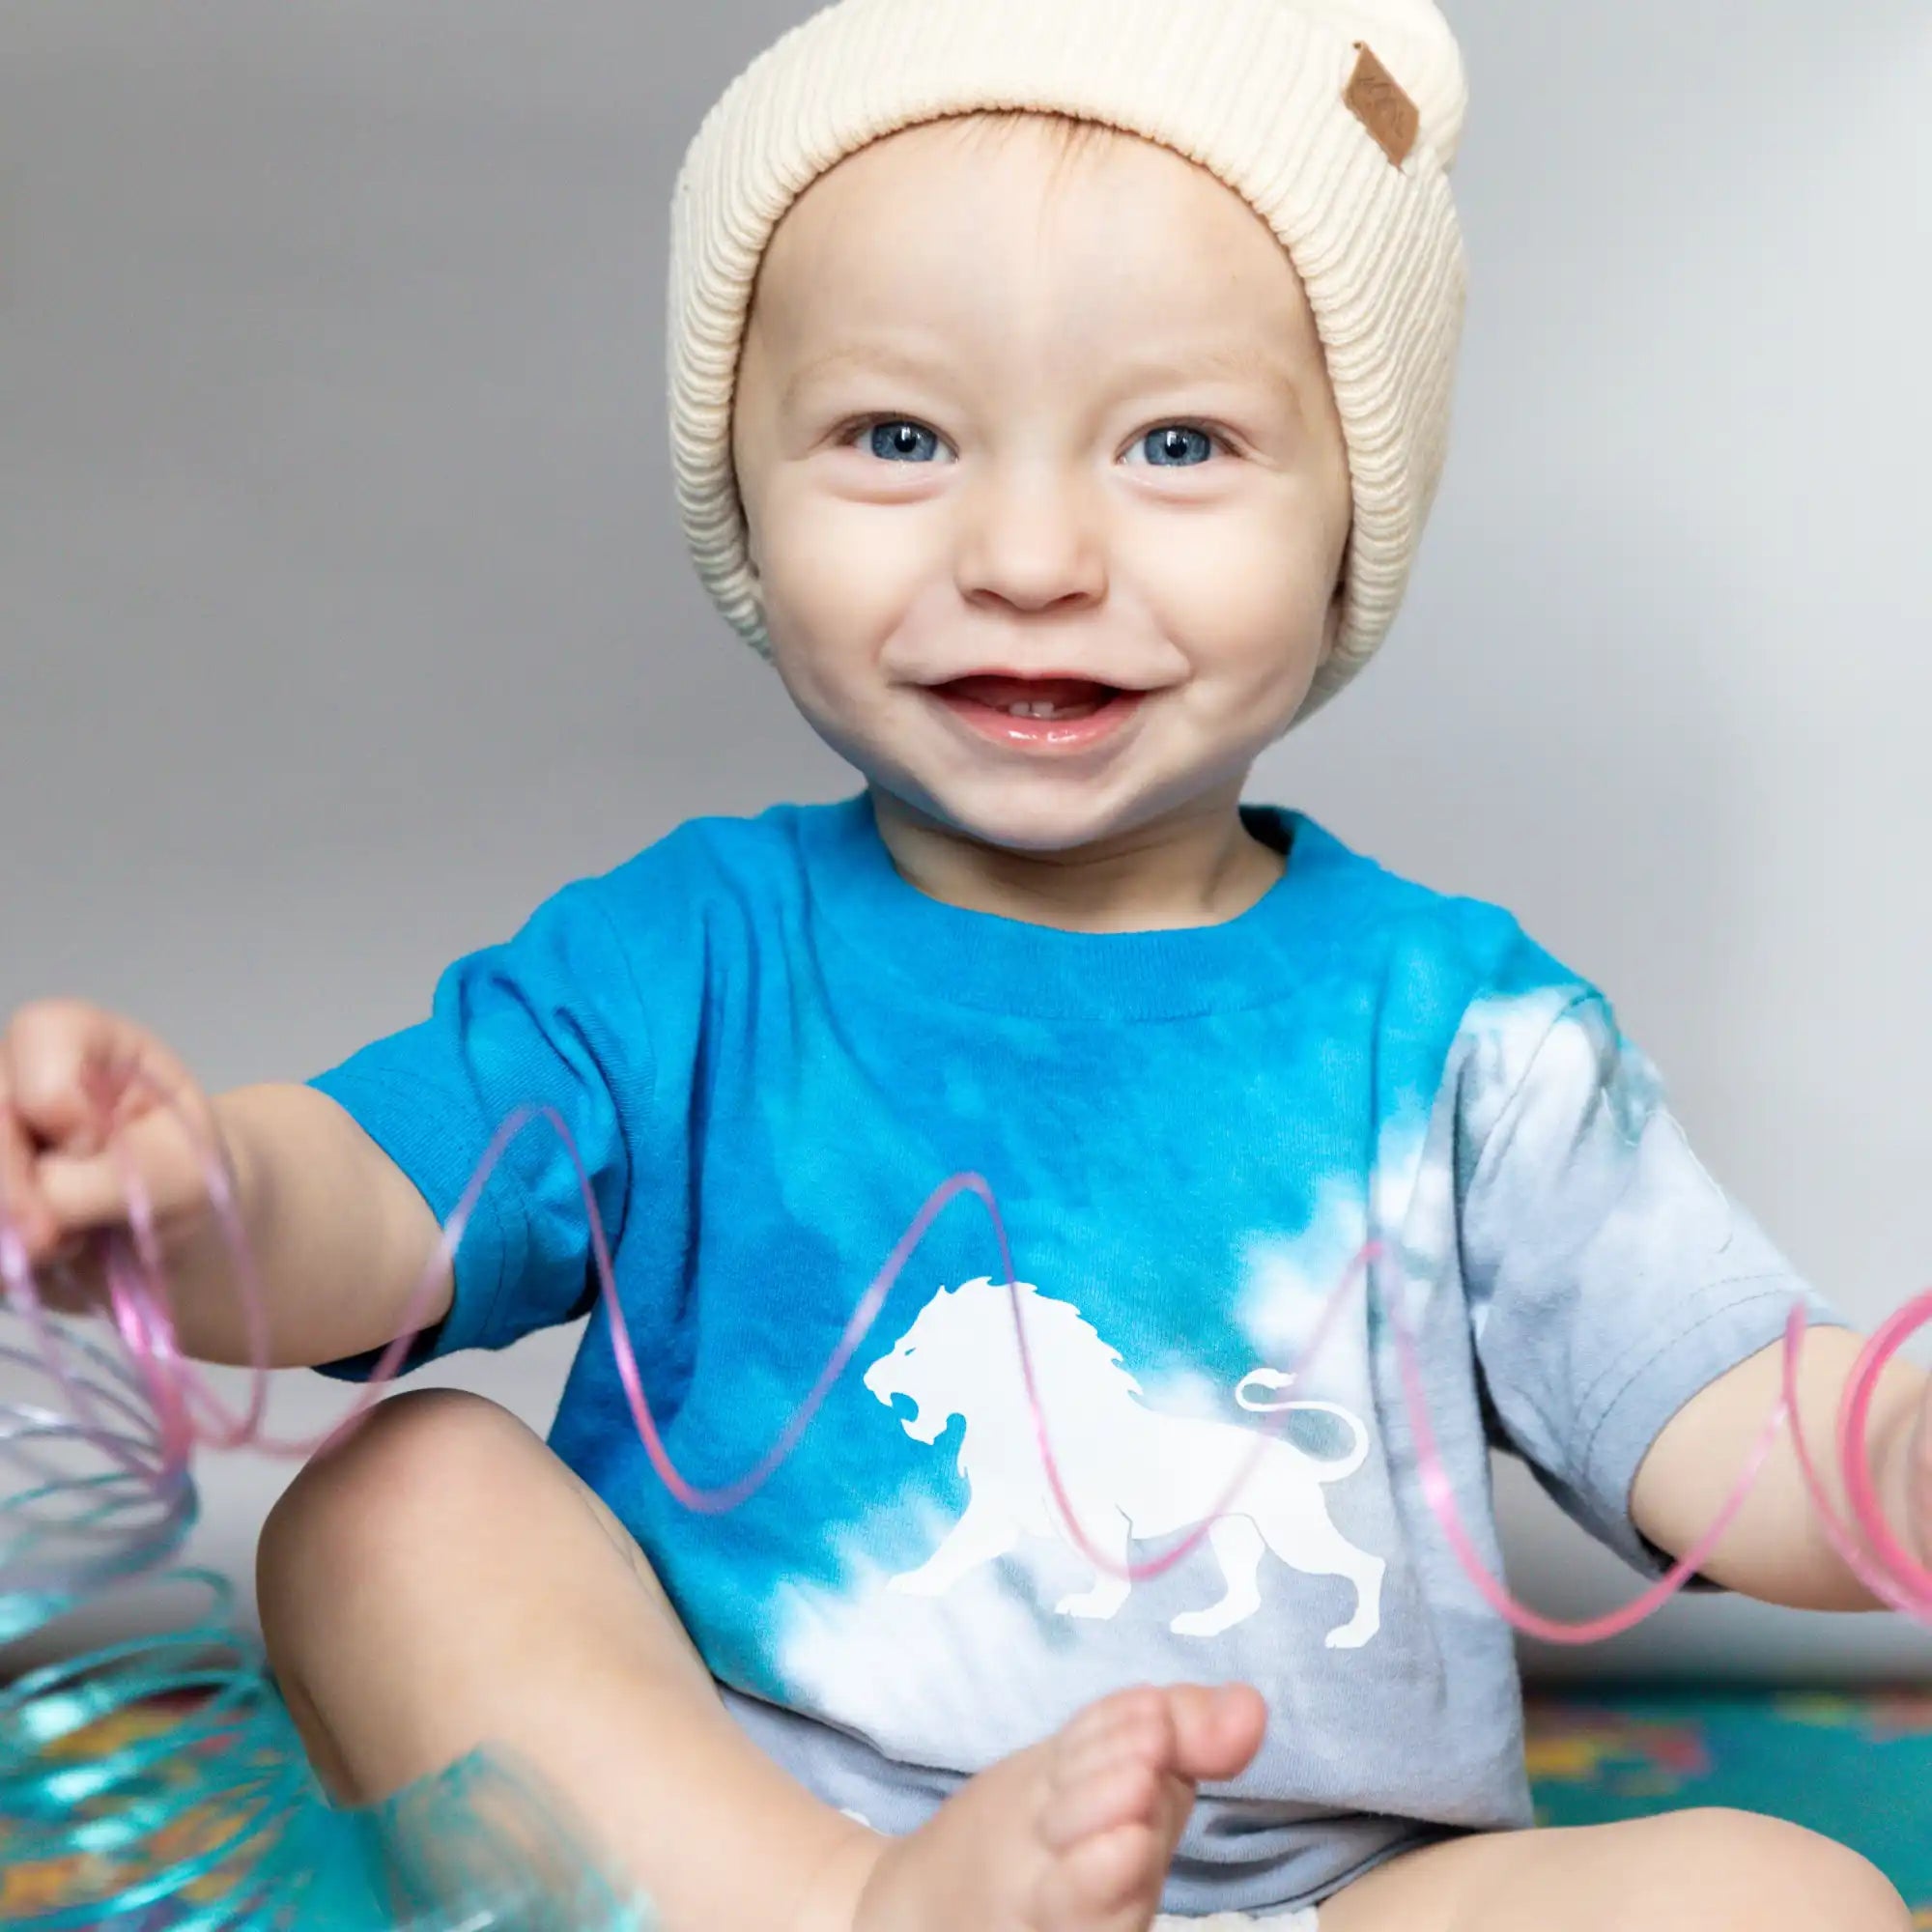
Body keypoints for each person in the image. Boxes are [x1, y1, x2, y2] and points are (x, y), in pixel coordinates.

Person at [0, 1, 1918, 1926]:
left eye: (1176, 442)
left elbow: (1711, 1417)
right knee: (390, 1500)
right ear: (747, 491)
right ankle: (849, 1913)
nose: (1026, 552)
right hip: (735, 1837)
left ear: (1353, 518)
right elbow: (380, 1204)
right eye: (897, 435)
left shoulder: (1463, 1034)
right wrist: (195, 1193)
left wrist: (1890, 1456)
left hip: (1330, 1893)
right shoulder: (693, 956)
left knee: (1790, 1897)